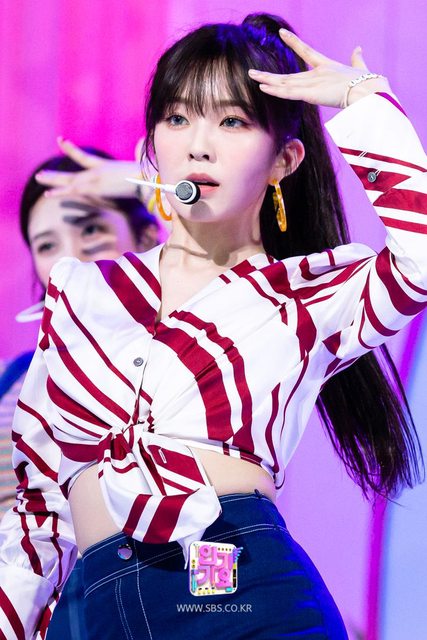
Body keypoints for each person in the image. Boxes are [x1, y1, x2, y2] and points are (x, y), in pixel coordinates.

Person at [1, 12, 426, 639]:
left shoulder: (304, 296)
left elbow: (420, 261)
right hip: (96, 608)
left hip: (230, 581)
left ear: (284, 159)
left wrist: (361, 100)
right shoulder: (82, 293)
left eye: (232, 121)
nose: (199, 145)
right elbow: (37, 507)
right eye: (177, 119)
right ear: (153, 146)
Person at [0, 148, 159, 639]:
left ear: (148, 237)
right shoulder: (14, 385)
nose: (69, 257)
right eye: (47, 245)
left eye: (91, 229)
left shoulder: (197, 354)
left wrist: (147, 183)